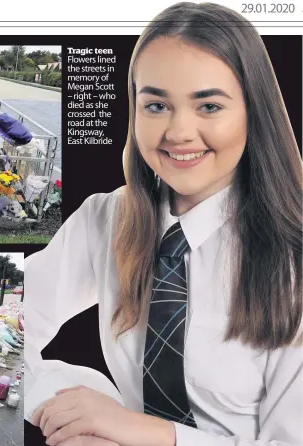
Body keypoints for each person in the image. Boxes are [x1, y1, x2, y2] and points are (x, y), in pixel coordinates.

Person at [24, 2, 302, 446]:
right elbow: (8, 321)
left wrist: (149, 434)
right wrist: (67, 405)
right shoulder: (107, 217)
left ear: (254, 110)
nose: (178, 133)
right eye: (156, 105)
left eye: (209, 106)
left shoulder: (295, 259)